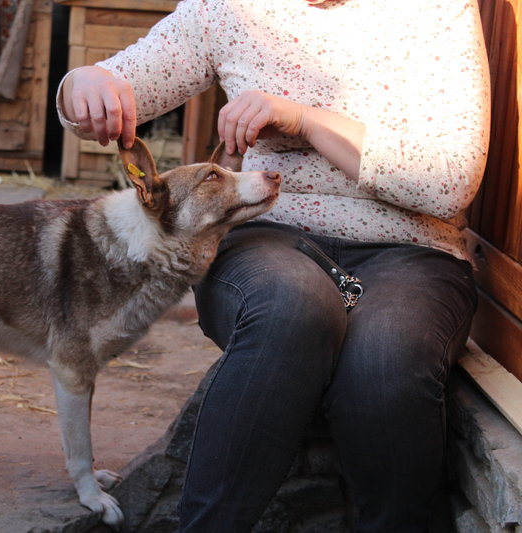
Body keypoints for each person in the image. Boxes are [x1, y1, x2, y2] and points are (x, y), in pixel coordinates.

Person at [57, 0, 491, 531]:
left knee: (383, 365)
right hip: (267, 238)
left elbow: (449, 183)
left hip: (412, 251)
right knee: (290, 310)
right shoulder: (229, 7)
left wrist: (305, 120)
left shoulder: (435, 11)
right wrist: (83, 84)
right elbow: (115, 88)